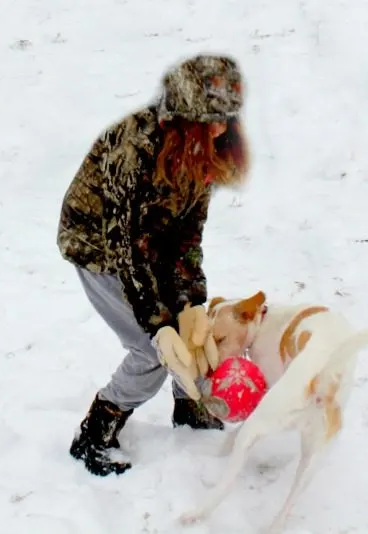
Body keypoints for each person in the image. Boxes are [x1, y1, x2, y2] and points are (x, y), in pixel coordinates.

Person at [56, 53, 250, 476]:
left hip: (151, 244)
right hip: (100, 249)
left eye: (225, 119)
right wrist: (157, 322)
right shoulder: (135, 150)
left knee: (191, 327)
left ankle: (190, 406)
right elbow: (128, 251)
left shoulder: (202, 150)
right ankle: (96, 432)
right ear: (184, 116)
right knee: (151, 351)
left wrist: (192, 299)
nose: (220, 130)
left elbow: (187, 237)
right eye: (209, 120)